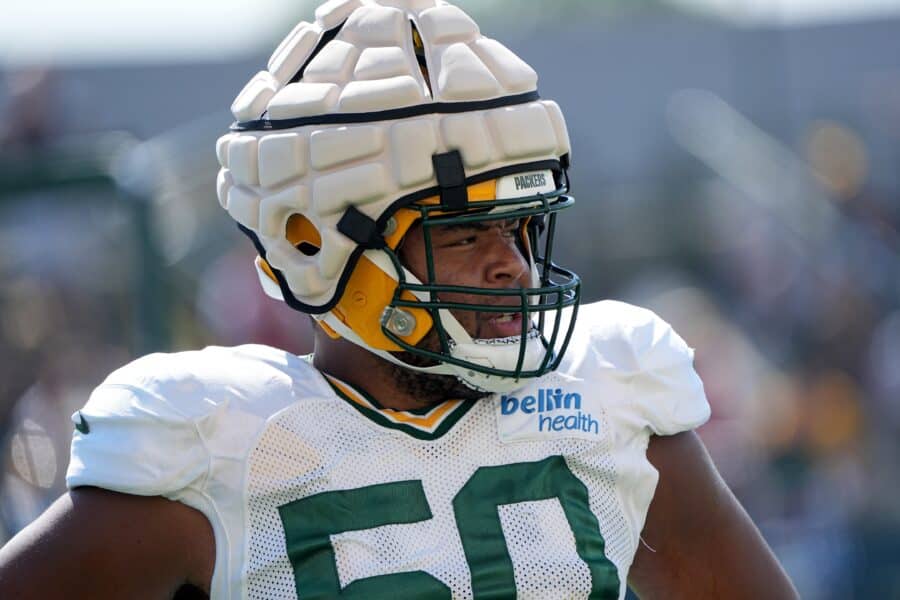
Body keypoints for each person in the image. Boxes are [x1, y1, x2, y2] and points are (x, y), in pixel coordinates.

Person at [0, 1, 798, 598]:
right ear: (317, 244)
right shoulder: (213, 444)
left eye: (521, 230)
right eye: (465, 233)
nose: (512, 268)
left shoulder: (611, 395)